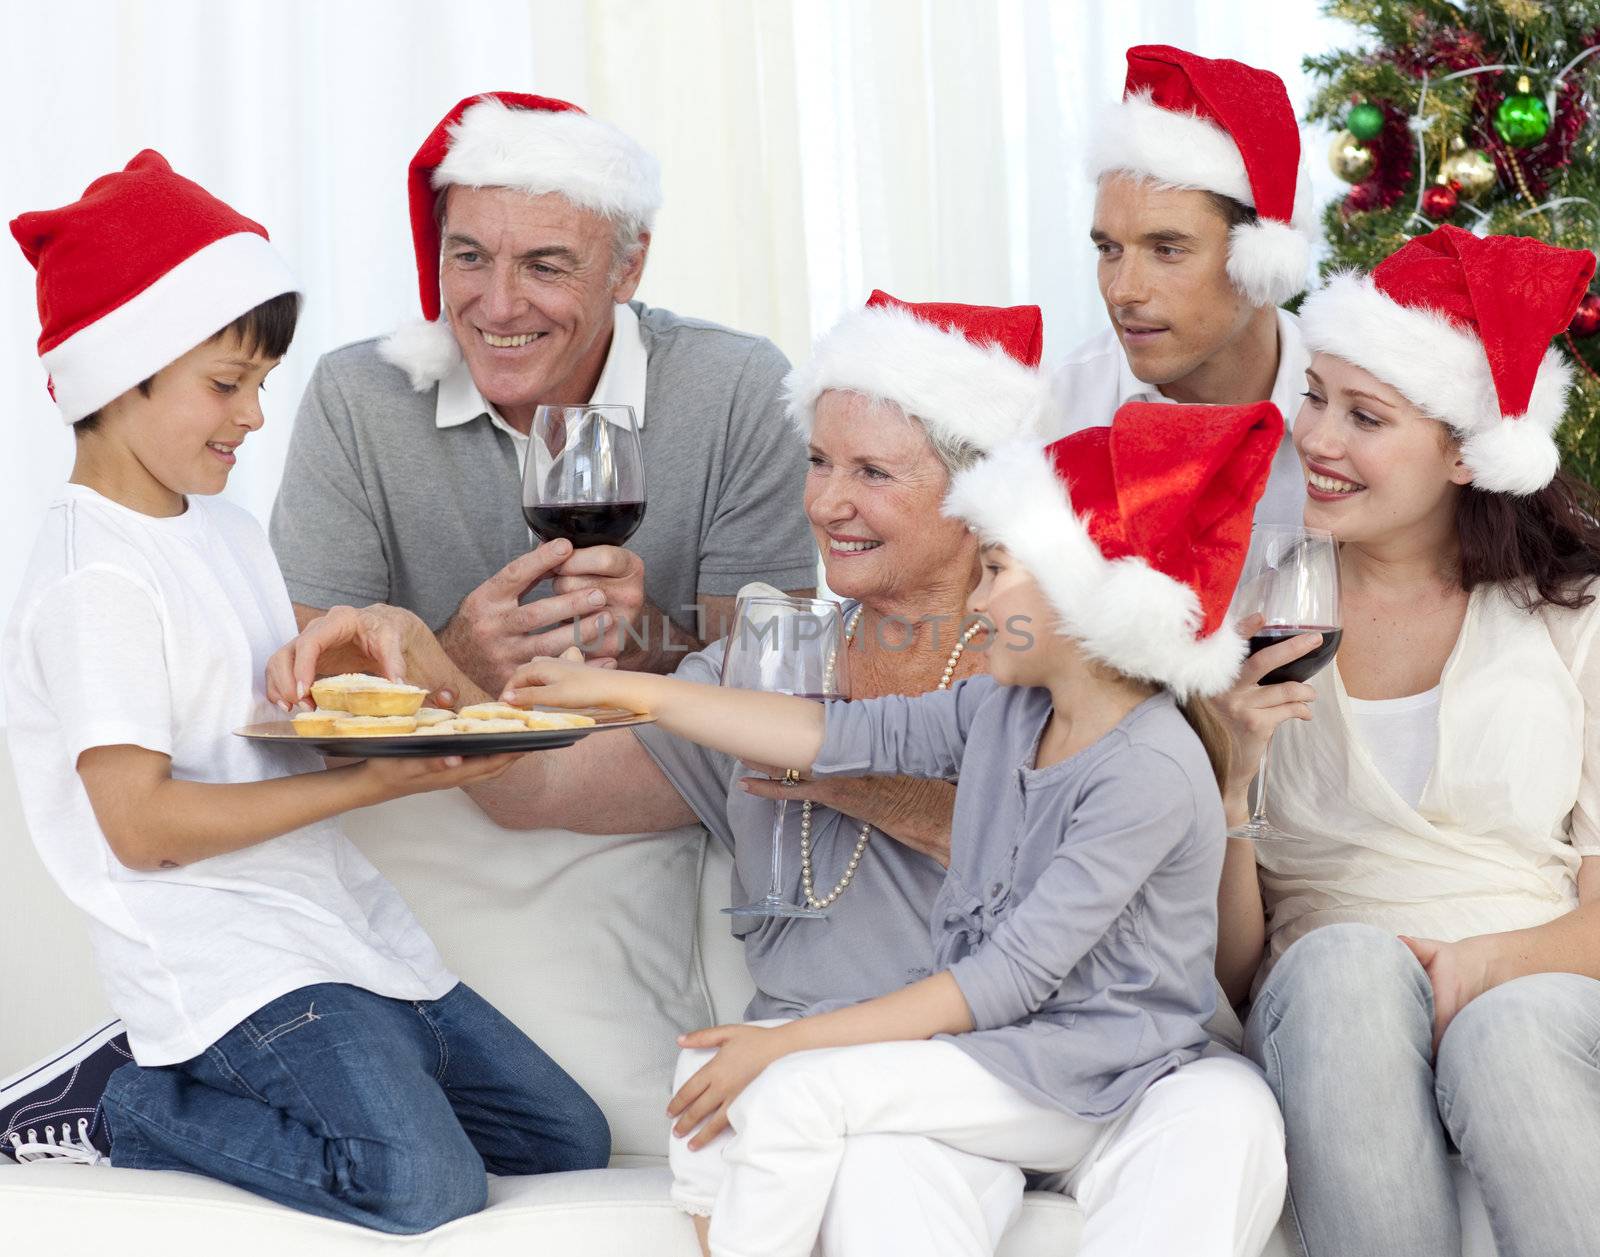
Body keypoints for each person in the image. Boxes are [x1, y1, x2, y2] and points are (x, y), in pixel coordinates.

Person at [503, 398, 1291, 1257]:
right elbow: (832, 733)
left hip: (1093, 1069)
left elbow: (1006, 980)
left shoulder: (1149, 768)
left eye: (998, 571)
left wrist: (793, 1044)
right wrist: (637, 693)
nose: (984, 601)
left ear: (1083, 599)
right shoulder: (1007, 706)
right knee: (723, 1066)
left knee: (791, 1088)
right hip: (1007, 1055)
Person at [0, 152, 609, 1231]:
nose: (252, 418)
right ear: (116, 377)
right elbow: (142, 828)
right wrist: (373, 789)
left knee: (563, 1142)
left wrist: (382, 662)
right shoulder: (93, 576)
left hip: (340, 930)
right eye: (224, 385)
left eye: (261, 386)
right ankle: (127, 1100)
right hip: (232, 959)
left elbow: (280, 709)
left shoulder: (224, 530)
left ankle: (216, 1080)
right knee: (419, 1185)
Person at [1211, 224, 1600, 1257]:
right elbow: (1230, 969)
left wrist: (1481, 967)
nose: (1318, 439)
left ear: (1466, 450)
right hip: (1320, 992)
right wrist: (1230, 783)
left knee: (1509, 1033)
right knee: (1343, 966)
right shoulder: (1250, 612)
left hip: (1537, 983)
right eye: (1315, 397)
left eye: (1364, 415)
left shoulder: (1576, 616)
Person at [269, 92, 817, 693]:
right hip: (430, 786)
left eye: (545, 267)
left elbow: (774, 693)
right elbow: (311, 684)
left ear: (628, 267)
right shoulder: (355, 397)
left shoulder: (740, 390)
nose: (499, 307)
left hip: (655, 779)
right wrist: (454, 663)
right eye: (471, 256)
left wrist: (647, 647)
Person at [1054, 44, 1314, 528]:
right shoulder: (1052, 418)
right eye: (1109, 249)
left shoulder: (1361, 419)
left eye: (1166, 250)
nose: (1122, 292)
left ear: (1257, 258)